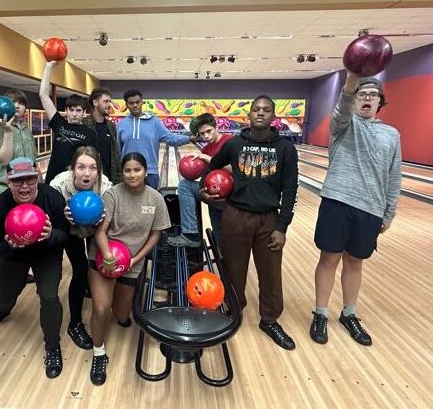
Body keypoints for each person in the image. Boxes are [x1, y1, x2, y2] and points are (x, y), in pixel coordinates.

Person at [310, 75, 401, 346]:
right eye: (363, 94)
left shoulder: (392, 134)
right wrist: (352, 78)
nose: (367, 98)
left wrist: (389, 213)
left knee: (354, 262)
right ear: (354, 100)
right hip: (337, 202)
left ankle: (349, 313)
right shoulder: (343, 124)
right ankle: (320, 313)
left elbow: (394, 175)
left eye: (373, 95)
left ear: (380, 102)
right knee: (329, 259)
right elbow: (342, 107)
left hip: (370, 208)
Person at [208, 95, 299, 350]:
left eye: (266, 110)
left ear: (273, 116)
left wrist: (282, 227)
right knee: (233, 270)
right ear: (249, 114)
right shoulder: (235, 144)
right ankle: (233, 310)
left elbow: (291, 190)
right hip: (236, 216)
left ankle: (269, 320)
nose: (260, 113)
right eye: (256, 109)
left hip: (268, 219)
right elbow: (212, 168)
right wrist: (207, 192)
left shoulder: (285, 149)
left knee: (270, 273)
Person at [88, 152, 171, 385]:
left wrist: (135, 260)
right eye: (127, 170)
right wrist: (107, 255)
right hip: (104, 257)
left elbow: (155, 235)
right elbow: (100, 231)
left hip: (132, 262)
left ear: (145, 171)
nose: (132, 175)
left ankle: (114, 296)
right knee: (101, 309)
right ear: (122, 173)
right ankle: (98, 353)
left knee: (122, 316)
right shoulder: (113, 194)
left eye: (137, 170)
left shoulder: (155, 199)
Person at [0, 157, 70, 378]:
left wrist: (50, 235)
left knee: (49, 297)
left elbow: (65, 236)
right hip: (14, 257)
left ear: (38, 177)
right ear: (7, 181)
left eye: (30, 180)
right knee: (4, 297)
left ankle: (52, 346)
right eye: (17, 181)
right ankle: (3, 310)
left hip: (46, 255)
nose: (24, 187)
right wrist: (9, 246)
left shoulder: (53, 198)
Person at [50, 146, 113, 350]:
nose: (87, 173)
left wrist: (104, 221)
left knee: (92, 267)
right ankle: (75, 323)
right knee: (80, 269)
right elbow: (51, 221)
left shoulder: (106, 187)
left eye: (93, 168)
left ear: (99, 170)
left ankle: (90, 288)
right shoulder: (58, 185)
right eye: (81, 167)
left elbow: (110, 223)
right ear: (73, 168)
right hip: (69, 231)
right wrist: (63, 217)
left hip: (95, 229)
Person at [0, 89, 38, 306]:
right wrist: (7, 132)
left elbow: (32, 159)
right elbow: (3, 160)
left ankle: (21, 271)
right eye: (12, 102)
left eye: (21, 103)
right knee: (1, 239)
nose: (17, 106)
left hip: (27, 189)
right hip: (2, 188)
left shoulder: (25, 127)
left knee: (26, 231)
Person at [167, 113, 232, 248]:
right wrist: (192, 167)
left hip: (231, 194)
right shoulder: (206, 148)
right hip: (213, 192)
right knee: (185, 185)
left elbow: (236, 168)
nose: (206, 136)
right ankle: (191, 234)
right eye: (202, 134)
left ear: (216, 127)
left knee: (227, 237)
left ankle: (192, 235)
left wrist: (208, 158)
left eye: (209, 131)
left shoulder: (229, 142)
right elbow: (207, 175)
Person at [116, 89, 192, 190]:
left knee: (150, 200)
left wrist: (190, 138)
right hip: (129, 172)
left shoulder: (154, 122)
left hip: (150, 172)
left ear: (142, 102)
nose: (135, 105)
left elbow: (171, 138)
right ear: (126, 105)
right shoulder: (121, 124)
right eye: (131, 103)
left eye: (137, 102)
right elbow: (117, 151)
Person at [39, 60, 98, 184]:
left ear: (84, 112)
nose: (74, 114)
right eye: (71, 110)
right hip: (53, 180)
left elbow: (92, 161)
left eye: (78, 110)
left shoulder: (89, 133)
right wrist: (48, 66)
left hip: (75, 182)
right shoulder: (59, 124)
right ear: (66, 111)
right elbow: (43, 95)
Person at [82, 88, 122, 185]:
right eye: (106, 101)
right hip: (89, 179)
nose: (109, 105)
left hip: (110, 180)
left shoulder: (111, 126)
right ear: (95, 102)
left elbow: (115, 154)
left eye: (110, 101)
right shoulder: (84, 125)